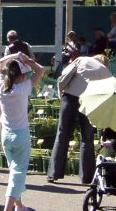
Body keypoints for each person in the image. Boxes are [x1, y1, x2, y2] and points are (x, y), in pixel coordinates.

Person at [47, 54, 111, 184]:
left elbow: (65, 76)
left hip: (71, 97)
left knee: (63, 133)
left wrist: (61, 92)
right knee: (87, 137)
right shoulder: (106, 72)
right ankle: (86, 176)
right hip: (90, 100)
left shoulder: (82, 60)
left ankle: (54, 173)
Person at [0, 52, 45, 211]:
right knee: (18, 174)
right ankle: (8, 208)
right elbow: (40, 70)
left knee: (14, 172)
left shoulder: (1, 87)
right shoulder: (24, 88)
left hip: (6, 135)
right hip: (21, 135)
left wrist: (12, 56)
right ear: (23, 75)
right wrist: (27, 60)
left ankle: (19, 206)